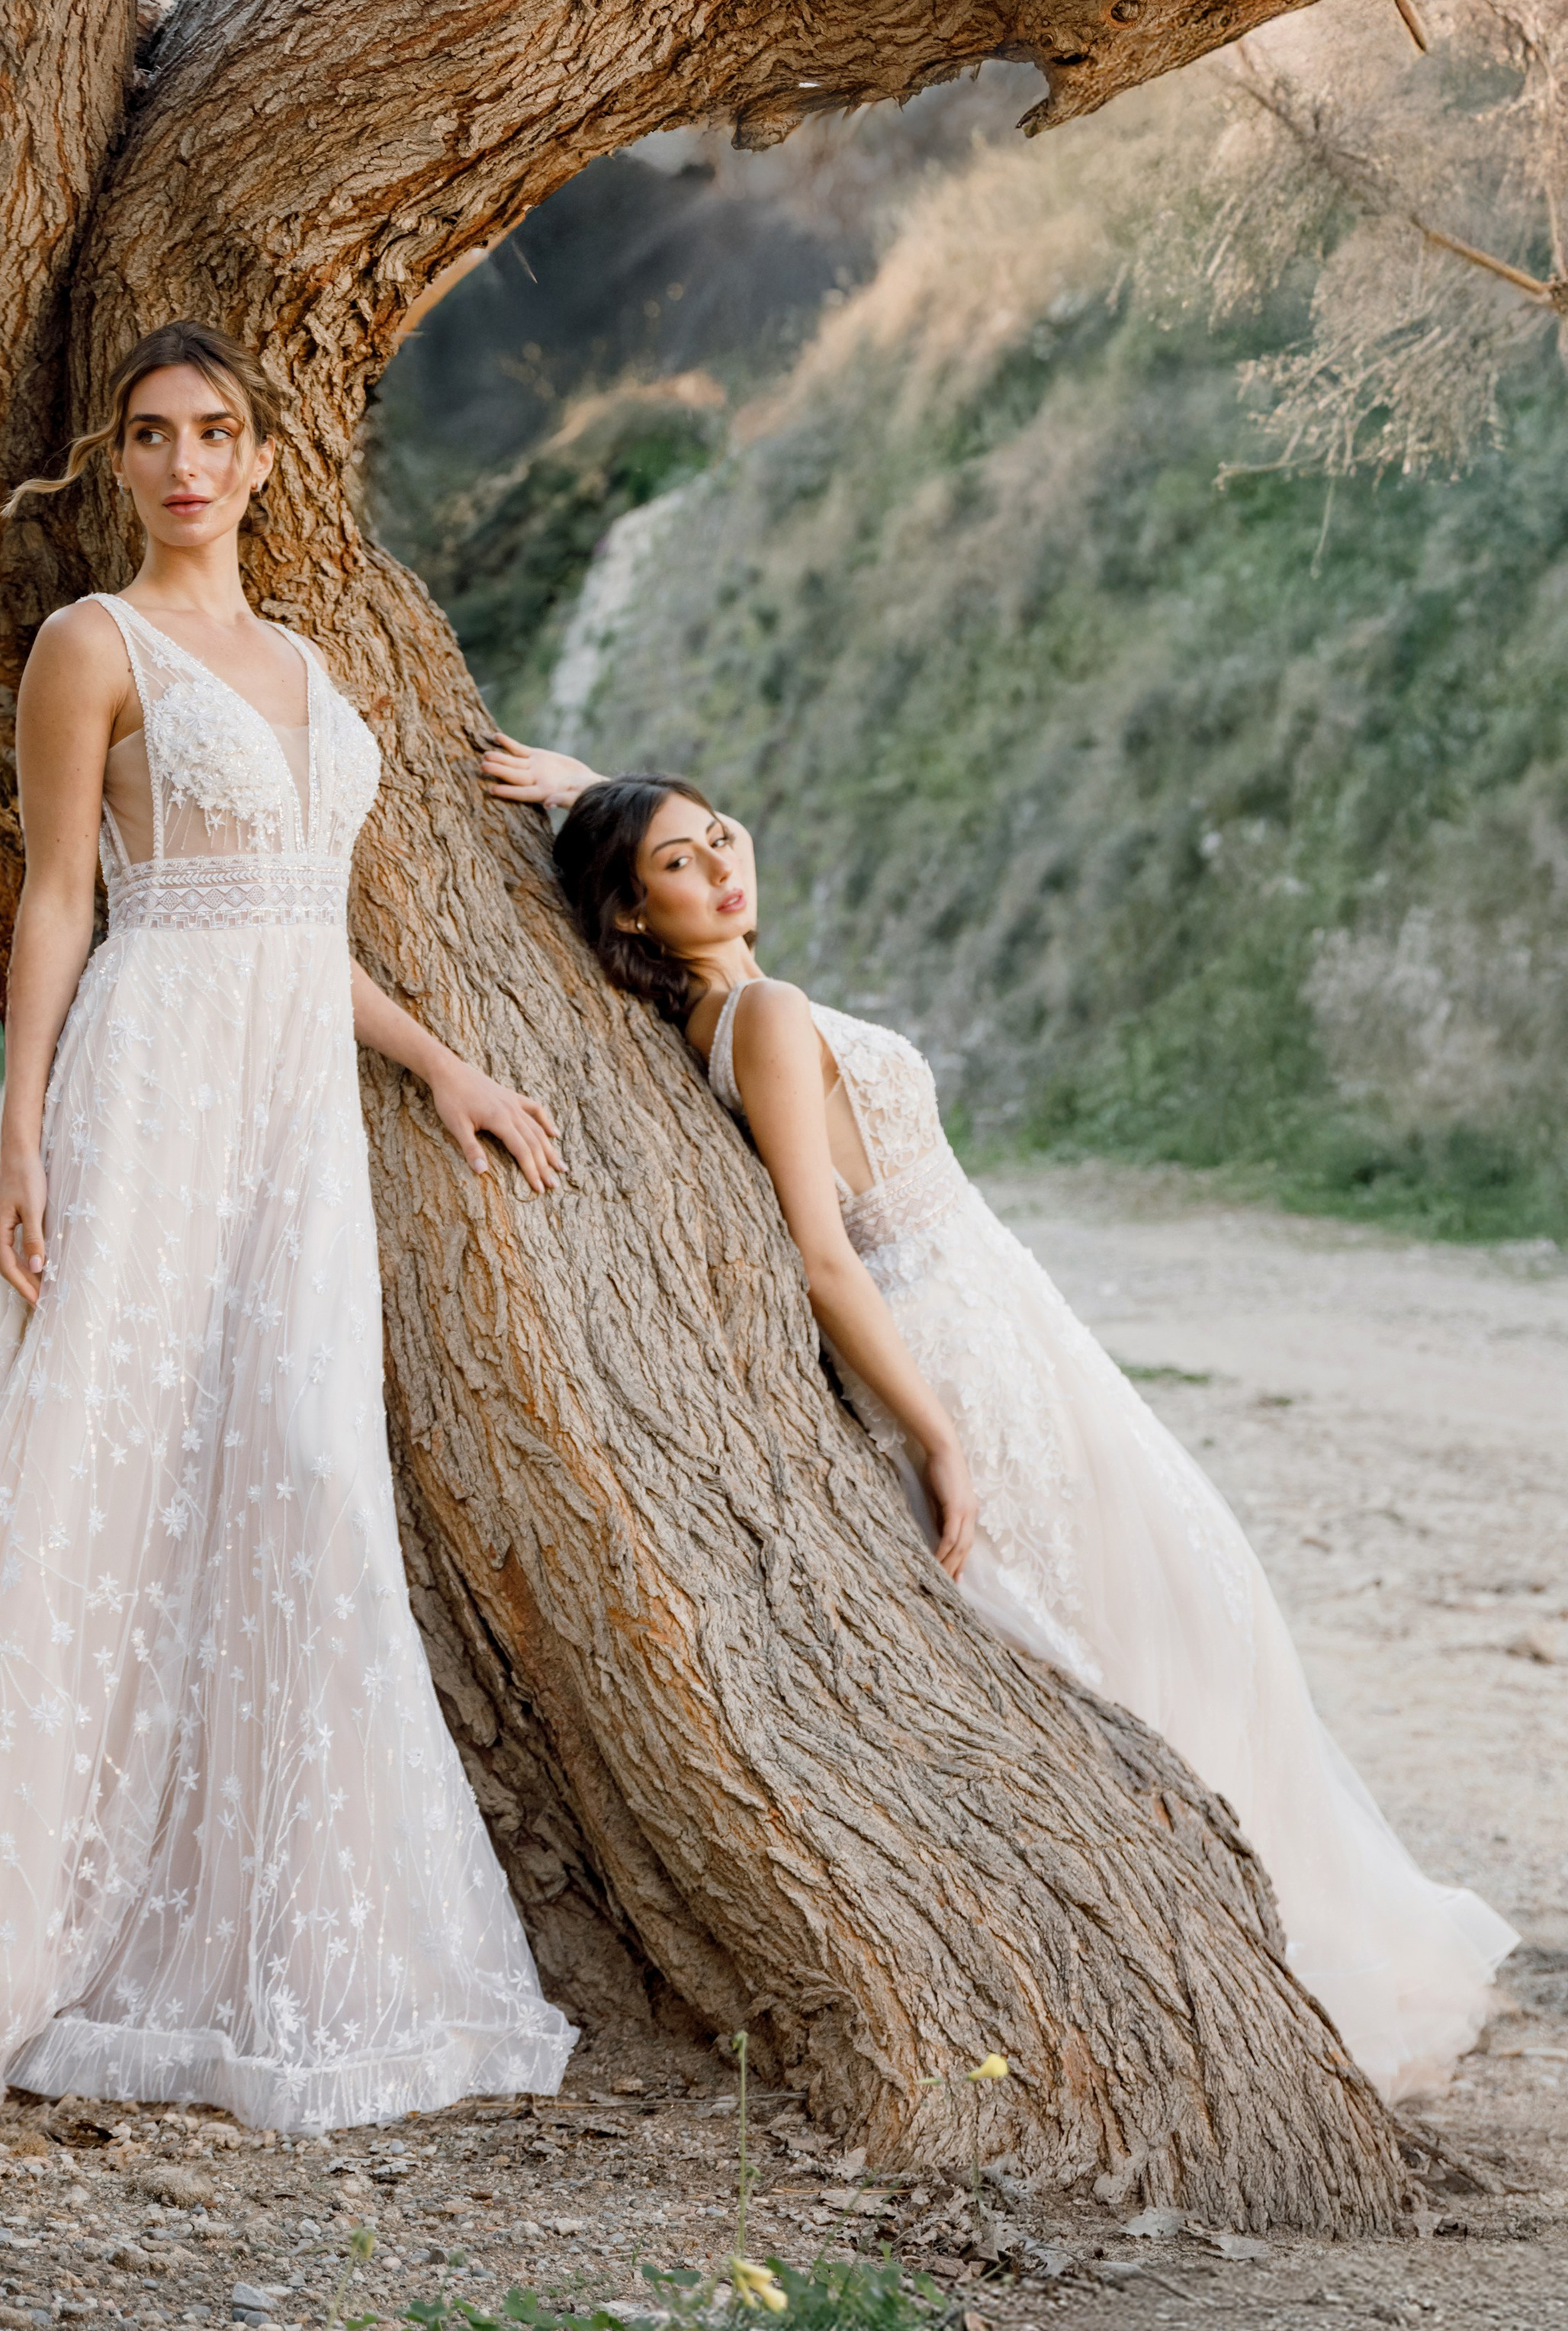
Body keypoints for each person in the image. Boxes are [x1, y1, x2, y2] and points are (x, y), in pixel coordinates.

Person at [0, 324, 577, 2127]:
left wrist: (443, 1069)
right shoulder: (86, 645)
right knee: (90, 1468)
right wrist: (21, 1134)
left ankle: (271, 1937)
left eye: (217, 433)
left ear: (263, 460)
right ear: (118, 464)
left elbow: (295, 926)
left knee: (299, 1474)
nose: (188, 462)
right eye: (154, 436)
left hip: (294, 1117)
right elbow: (56, 900)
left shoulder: (310, 666)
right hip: (154, 1077)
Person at [485, 738, 1515, 2100]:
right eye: (680, 863)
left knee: (1180, 1598)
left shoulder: (723, 1013)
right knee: (1150, 1623)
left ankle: (1264, 1939)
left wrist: (593, 792)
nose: (725, 867)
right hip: (953, 1338)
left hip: (1004, 1311)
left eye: (724, 835)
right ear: (631, 912)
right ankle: (1254, 1949)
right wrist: (937, 1432)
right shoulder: (768, 1016)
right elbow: (822, 1251)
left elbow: (681, 882)